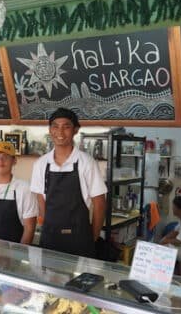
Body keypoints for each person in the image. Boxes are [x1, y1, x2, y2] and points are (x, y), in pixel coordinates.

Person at [31, 108, 107, 258]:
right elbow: (41, 199)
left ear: (75, 130)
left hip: (80, 239)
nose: (60, 132)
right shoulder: (41, 164)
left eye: (66, 126)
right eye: (55, 126)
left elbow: (100, 203)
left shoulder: (86, 162)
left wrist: (93, 237)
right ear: (50, 130)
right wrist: (50, 227)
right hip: (50, 238)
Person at [160, 196, 181, 264]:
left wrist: (165, 241)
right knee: (162, 245)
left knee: (161, 250)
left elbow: (179, 241)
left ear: (180, 209)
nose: (172, 209)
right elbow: (175, 231)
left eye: (174, 207)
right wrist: (164, 239)